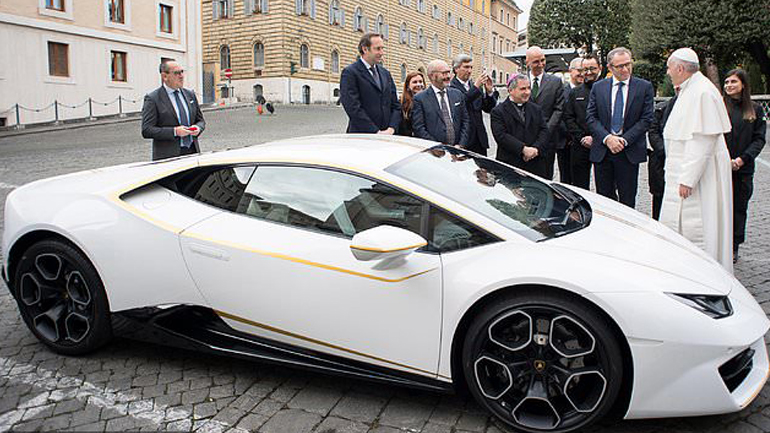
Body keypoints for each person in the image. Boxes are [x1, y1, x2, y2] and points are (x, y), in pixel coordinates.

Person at [659, 48, 734, 272]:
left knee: (700, 225)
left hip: (700, 178)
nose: (668, 72)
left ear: (680, 68)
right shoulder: (689, 90)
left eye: (669, 68)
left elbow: (702, 139)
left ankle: (704, 272)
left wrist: (687, 179)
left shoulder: (702, 92)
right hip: (689, 174)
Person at [586, 47, 654, 208]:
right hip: (603, 151)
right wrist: (608, 138)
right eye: (620, 66)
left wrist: (623, 141)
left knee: (627, 200)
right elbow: (591, 117)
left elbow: (646, 119)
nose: (625, 69)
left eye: (628, 64)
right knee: (604, 201)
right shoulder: (599, 87)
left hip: (628, 152)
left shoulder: (644, 87)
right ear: (610, 67)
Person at [723, 68, 766, 262]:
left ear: (743, 85)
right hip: (721, 167)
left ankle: (734, 246)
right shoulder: (720, 106)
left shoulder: (755, 110)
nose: (729, 86)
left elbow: (759, 139)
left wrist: (742, 159)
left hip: (743, 168)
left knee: (739, 208)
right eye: (727, 82)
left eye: (733, 82)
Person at [141, 61, 205, 161]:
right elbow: (147, 130)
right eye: (176, 73)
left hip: (192, 152)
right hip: (168, 157)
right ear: (164, 76)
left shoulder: (190, 94)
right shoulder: (153, 98)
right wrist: (174, 132)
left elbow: (200, 120)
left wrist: (198, 128)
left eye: (182, 72)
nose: (181, 76)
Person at [340, 33, 401, 134]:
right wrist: (375, 132)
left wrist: (392, 128)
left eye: (382, 48)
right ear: (365, 49)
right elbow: (353, 107)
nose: (382, 53)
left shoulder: (386, 74)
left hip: (388, 135)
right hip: (363, 136)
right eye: (377, 49)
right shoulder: (350, 72)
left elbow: (395, 105)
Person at [490, 74, 550, 177]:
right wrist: (523, 149)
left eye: (528, 88)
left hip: (535, 163)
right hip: (510, 164)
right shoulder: (498, 111)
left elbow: (544, 130)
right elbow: (501, 136)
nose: (527, 92)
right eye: (522, 89)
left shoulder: (536, 109)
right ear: (510, 90)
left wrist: (535, 149)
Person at [526, 46, 565, 180]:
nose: (541, 64)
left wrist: (545, 132)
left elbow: (559, 109)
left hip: (548, 140)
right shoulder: (519, 81)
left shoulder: (555, 82)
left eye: (543, 60)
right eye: (536, 61)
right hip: (525, 139)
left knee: (545, 178)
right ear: (528, 62)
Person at [563, 54, 602, 190]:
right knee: (579, 188)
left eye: (592, 68)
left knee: (605, 188)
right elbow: (568, 117)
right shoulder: (575, 93)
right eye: (585, 69)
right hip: (580, 145)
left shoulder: (607, 91)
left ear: (600, 68)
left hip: (603, 144)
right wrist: (582, 138)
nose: (589, 72)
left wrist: (597, 137)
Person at [412, 60, 469, 146]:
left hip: (458, 151)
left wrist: (461, 145)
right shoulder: (420, 99)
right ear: (432, 76)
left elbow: (465, 121)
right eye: (444, 73)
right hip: (434, 153)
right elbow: (419, 128)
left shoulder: (457, 94)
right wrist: (437, 147)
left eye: (448, 72)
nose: (448, 76)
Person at [449, 54, 498, 155]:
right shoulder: (451, 87)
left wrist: (489, 92)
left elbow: (488, 108)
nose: (470, 70)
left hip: (479, 138)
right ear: (456, 69)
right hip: (464, 138)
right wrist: (476, 87)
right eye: (466, 67)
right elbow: (462, 103)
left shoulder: (475, 86)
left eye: (471, 67)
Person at [647, 94, 678, 220]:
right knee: (658, 197)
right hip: (660, 160)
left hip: (680, 162)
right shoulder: (661, 108)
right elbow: (653, 131)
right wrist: (666, 151)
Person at [557, 57, 585, 184]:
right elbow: (559, 115)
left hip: (584, 143)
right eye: (579, 70)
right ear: (570, 71)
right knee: (566, 180)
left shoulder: (591, 91)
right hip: (565, 142)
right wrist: (571, 135)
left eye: (584, 70)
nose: (582, 73)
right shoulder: (561, 91)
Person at [397, 72, 425, 136]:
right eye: (415, 82)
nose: (418, 84)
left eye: (420, 81)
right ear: (408, 86)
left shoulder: (429, 101)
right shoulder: (401, 104)